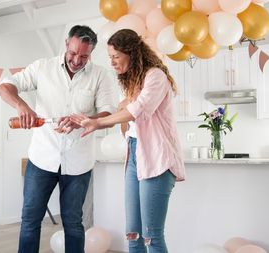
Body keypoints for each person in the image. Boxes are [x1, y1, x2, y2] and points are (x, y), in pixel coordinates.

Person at [0, 25, 117, 253]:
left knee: (73, 223)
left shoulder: (101, 75)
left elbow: (109, 114)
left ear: (91, 52)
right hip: (42, 159)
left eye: (84, 56)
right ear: (66, 44)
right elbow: (4, 86)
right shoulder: (42, 67)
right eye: (73, 53)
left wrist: (84, 120)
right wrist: (22, 105)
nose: (77, 60)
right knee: (30, 221)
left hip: (79, 163)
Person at [71, 29, 185, 253]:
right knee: (133, 233)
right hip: (134, 156)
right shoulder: (134, 83)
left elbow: (137, 110)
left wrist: (100, 123)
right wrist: (89, 119)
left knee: (152, 236)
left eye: (116, 56)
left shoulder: (155, 77)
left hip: (157, 160)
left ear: (131, 53)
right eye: (110, 58)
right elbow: (126, 117)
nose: (112, 63)